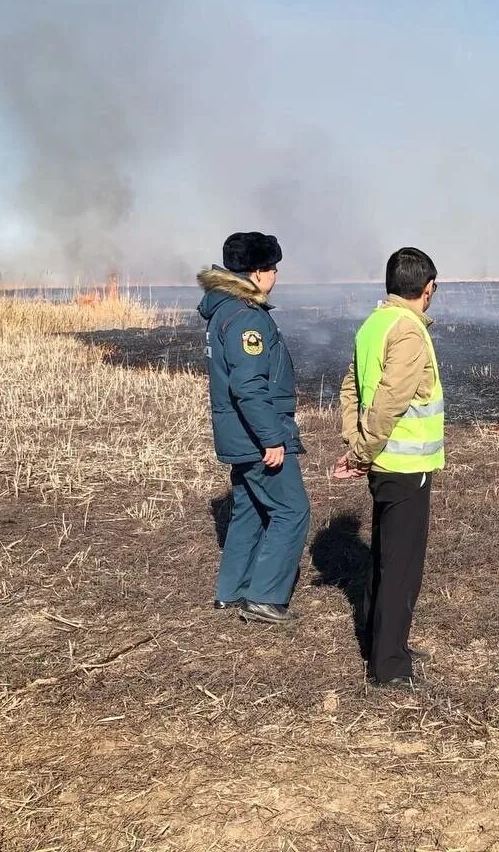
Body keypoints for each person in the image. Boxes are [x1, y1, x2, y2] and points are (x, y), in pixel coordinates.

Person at [335, 247, 444, 688]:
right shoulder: (409, 331)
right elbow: (390, 401)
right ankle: (390, 665)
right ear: (428, 288)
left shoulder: (373, 324)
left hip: (383, 463)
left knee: (385, 558)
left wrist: (355, 442)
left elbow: (349, 388)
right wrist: (360, 451)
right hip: (405, 466)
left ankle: (384, 642)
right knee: (401, 567)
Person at [197, 232, 310, 625]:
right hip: (257, 435)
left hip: (238, 434)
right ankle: (265, 597)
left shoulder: (223, 311)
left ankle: (232, 591)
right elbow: (248, 387)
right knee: (292, 510)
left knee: (247, 508)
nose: (276, 275)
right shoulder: (246, 317)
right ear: (257, 272)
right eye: (273, 268)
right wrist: (273, 438)